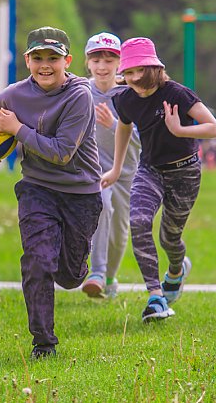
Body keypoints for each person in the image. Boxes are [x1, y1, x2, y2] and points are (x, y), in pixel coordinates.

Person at [0, 27, 102, 359]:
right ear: (27, 60)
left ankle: (75, 266)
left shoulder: (79, 96)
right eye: (38, 57)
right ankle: (44, 343)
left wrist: (18, 129)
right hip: (37, 190)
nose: (45, 65)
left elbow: (62, 152)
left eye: (53, 58)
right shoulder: (12, 96)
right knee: (38, 261)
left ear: (67, 61)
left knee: (69, 277)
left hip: (80, 193)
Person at [101, 37, 216, 323]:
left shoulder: (177, 93)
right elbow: (123, 127)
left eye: (137, 71)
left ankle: (177, 271)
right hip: (150, 170)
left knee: (170, 237)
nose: (131, 78)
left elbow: (213, 128)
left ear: (153, 68)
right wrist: (117, 169)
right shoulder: (125, 98)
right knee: (139, 221)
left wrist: (180, 131)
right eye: (127, 72)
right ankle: (155, 296)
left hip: (185, 172)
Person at [78, 32, 140, 300]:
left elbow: (141, 140)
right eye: (96, 60)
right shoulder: (80, 91)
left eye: (108, 60)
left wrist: (114, 125)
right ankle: (98, 273)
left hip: (127, 174)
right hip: (94, 170)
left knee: (118, 231)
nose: (102, 66)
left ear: (120, 64)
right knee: (102, 206)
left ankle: (111, 277)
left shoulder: (131, 93)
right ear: (87, 63)